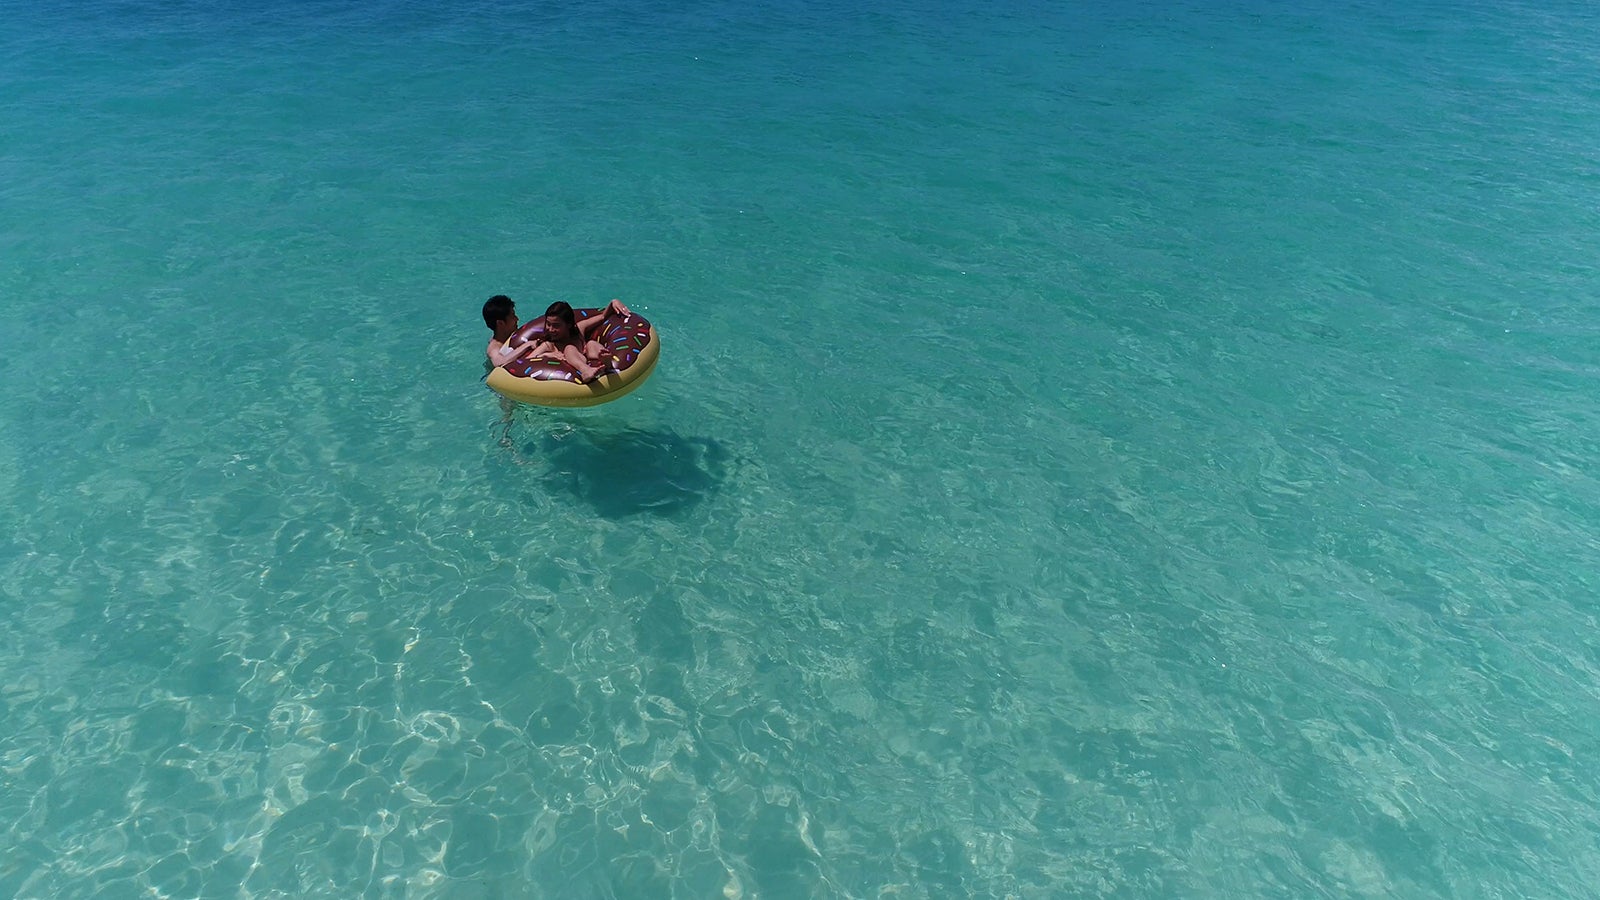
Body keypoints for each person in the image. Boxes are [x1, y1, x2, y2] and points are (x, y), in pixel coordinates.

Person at [536, 299, 632, 383]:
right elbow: (530, 358)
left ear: (569, 325)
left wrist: (613, 302)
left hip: (589, 356)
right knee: (569, 348)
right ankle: (585, 370)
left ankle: (606, 361)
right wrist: (547, 355)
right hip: (579, 365)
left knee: (591, 344)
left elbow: (602, 317)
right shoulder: (548, 345)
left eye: (556, 326)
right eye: (548, 324)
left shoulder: (579, 330)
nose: (551, 329)